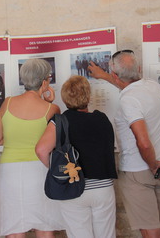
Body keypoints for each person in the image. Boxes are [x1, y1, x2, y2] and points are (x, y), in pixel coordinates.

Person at [88, 50, 160, 238]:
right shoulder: (153, 86)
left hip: (141, 170)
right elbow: (127, 85)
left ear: (115, 75)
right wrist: (105, 76)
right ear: (140, 69)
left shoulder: (129, 100)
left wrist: (152, 166)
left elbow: (143, 142)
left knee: (150, 230)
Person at [0, 58, 64, 237]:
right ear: (44, 82)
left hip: (9, 172)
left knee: (14, 228)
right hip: (39, 170)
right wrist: (50, 102)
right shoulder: (52, 109)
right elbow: (55, 142)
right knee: (45, 226)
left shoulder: (7, 103)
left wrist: (16, 141)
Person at [35, 75, 117, 238]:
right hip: (103, 187)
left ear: (65, 98)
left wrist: (55, 170)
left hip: (74, 186)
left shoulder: (60, 121)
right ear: (88, 96)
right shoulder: (102, 119)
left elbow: (41, 150)